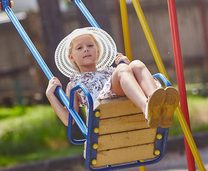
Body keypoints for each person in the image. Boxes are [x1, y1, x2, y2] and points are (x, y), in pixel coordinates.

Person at [46, 27, 179, 128]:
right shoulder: (74, 84)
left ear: (97, 53)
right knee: (122, 69)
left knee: (136, 64)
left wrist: (128, 67)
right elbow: (69, 120)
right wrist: (50, 95)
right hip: (103, 112)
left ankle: (158, 104)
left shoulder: (109, 71)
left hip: (122, 99)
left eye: (90, 46)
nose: (86, 49)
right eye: (79, 48)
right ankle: (147, 108)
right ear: (71, 57)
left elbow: (125, 79)